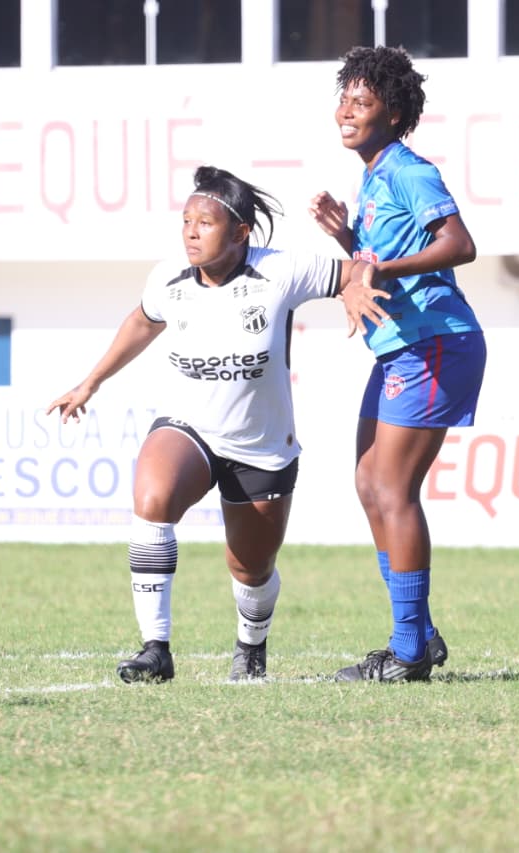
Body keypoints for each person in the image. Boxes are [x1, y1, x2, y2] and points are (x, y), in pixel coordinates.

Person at [48, 165, 385, 684]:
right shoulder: (167, 278)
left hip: (263, 447)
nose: (190, 232)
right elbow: (142, 322)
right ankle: (155, 650)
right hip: (190, 428)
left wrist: (357, 287)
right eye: (186, 221)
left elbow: (353, 271)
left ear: (241, 233)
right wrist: (91, 381)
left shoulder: (282, 270)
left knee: (250, 570)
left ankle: (251, 649)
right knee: (151, 499)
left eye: (204, 223)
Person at [309, 45, 486, 682]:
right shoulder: (375, 174)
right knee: (366, 482)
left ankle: (408, 652)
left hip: (436, 341)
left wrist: (380, 262)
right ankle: (421, 634)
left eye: (362, 100)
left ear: (394, 112)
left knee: (392, 489)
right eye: (345, 98)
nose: (346, 111)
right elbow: (378, 260)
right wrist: (346, 240)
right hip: (399, 348)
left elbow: (458, 245)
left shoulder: (410, 170)